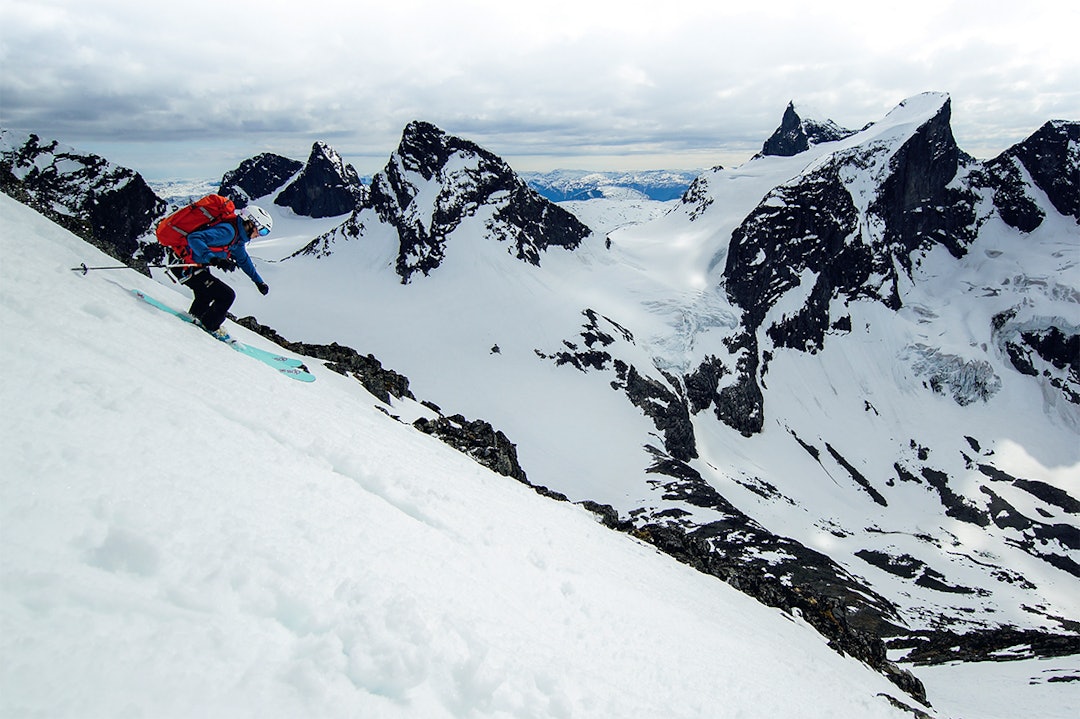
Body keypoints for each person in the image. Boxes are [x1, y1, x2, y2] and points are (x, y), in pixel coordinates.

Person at [168, 205, 272, 341]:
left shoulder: (237, 237)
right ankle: (210, 327)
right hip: (184, 266)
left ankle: (193, 321)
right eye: (262, 230)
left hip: (191, 265)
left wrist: (258, 281)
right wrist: (212, 258)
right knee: (226, 296)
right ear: (251, 223)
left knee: (205, 295)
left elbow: (244, 260)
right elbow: (194, 238)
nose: (260, 235)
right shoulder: (228, 232)